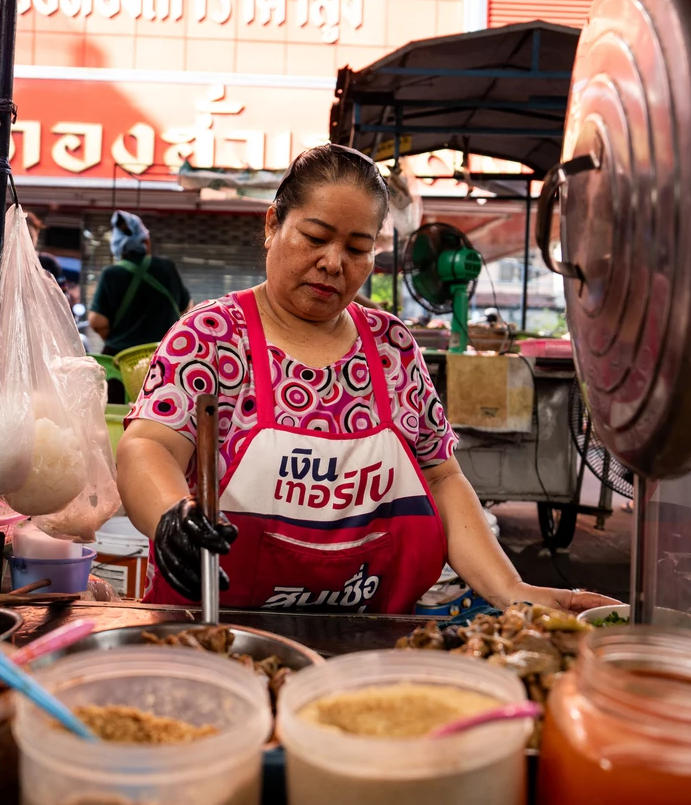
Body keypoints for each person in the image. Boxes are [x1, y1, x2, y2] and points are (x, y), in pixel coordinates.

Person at [115, 144, 617, 614]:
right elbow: (149, 446)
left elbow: (441, 477)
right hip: (216, 625)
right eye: (315, 237)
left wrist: (512, 591)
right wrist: (168, 514)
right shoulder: (212, 334)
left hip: (365, 632)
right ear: (272, 224)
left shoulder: (391, 345)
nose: (333, 263)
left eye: (357, 248)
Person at [88, 210, 190, 356]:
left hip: (121, 361)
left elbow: (97, 322)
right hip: (164, 358)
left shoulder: (111, 274)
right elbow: (187, 310)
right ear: (146, 242)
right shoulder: (167, 267)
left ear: (117, 248)